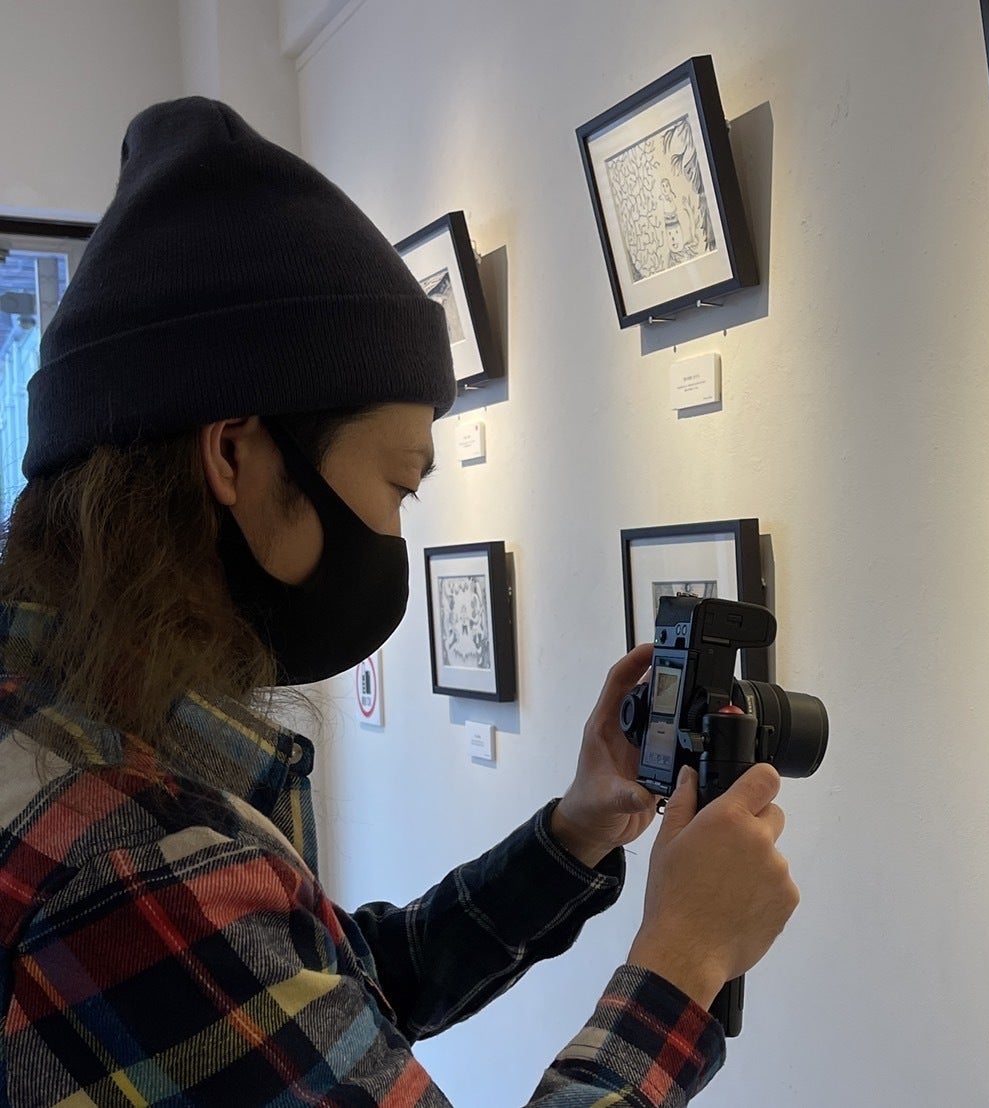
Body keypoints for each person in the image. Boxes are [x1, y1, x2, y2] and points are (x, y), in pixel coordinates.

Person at [0, 98, 799, 1106]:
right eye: (397, 486)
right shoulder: (128, 856)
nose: (392, 537)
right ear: (235, 453)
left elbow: (306, 994)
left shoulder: (49, 731)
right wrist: (683, 963)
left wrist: (573, 836)